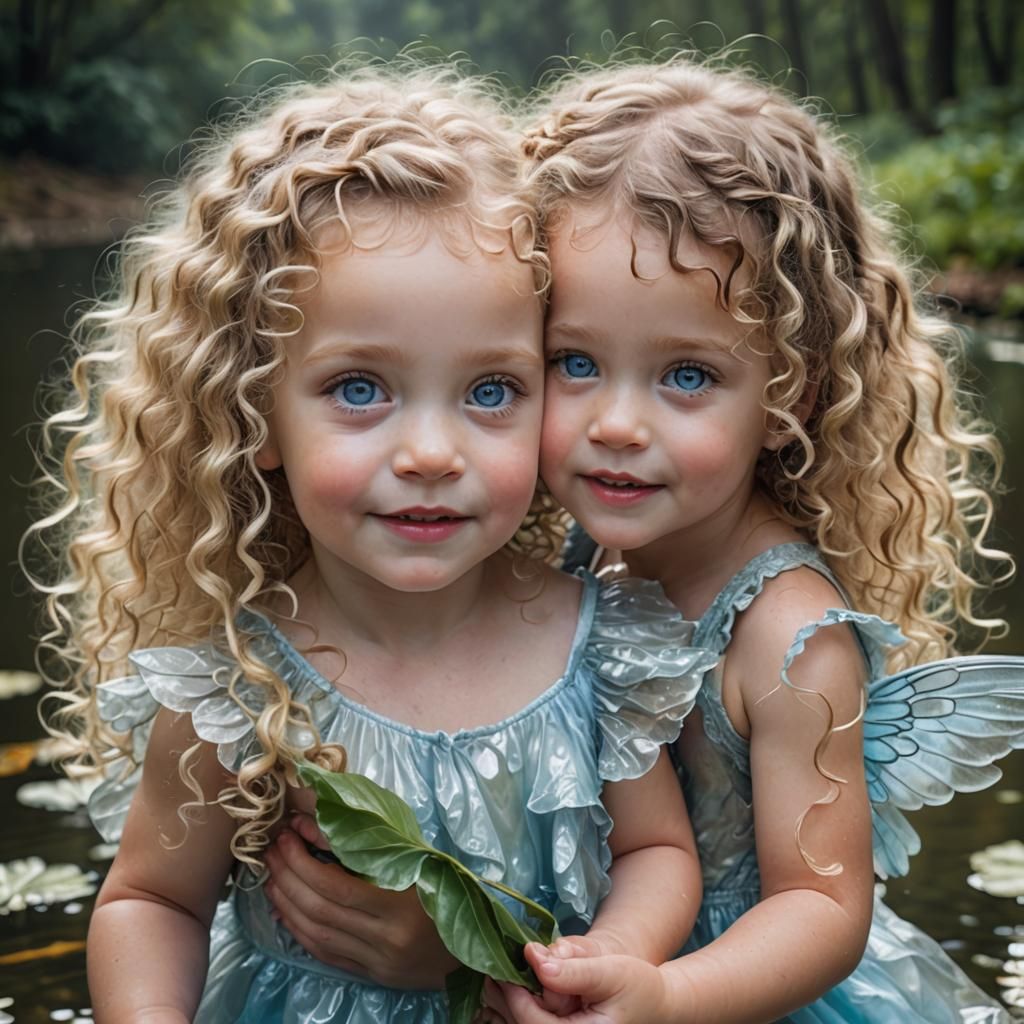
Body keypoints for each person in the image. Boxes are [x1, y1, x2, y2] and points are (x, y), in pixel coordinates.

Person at [26, 64, 717, 1023]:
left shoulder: (598, 643)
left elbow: (657, 853)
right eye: (360, 390)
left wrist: (601, 964)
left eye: (490, 391)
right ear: (256, 414)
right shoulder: (240, 681)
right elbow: (152, 900)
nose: (432, 454)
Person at [489, 58, 1024, 1023]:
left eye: (687, 375)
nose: (618, 423)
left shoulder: (789, 637)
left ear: (790, 394)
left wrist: (664, 996)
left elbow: (822, 906)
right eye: (575, 361)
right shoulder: (575, 558)